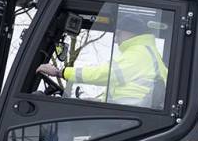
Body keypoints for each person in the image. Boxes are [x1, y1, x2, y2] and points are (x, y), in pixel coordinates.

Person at [36, 12, 168, 109]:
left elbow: (105, 74)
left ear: (131, 32)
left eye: (119, 33)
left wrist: (61, 72)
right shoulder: (145, 53)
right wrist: (97, 100)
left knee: (62, 122)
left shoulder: (140, 53)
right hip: (127, 113)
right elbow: (118, 86)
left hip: (128, 115)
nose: (116, 40)